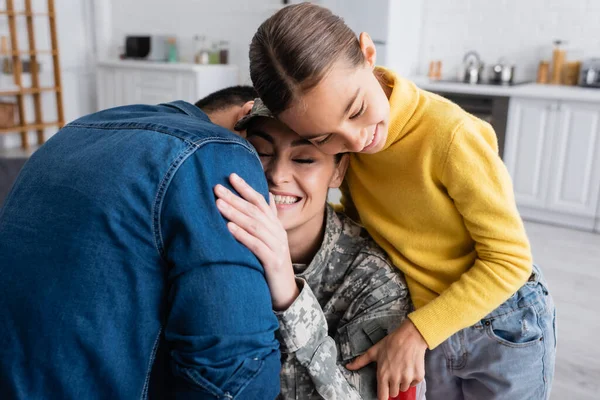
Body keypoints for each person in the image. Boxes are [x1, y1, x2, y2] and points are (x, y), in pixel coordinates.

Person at [246, 3, 557, 400]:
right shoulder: (350, 144)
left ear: (369, 53)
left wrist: (416, 332)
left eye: (356, 110)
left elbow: (509, 259)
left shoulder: (451, 135)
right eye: (324, 137)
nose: (356, 140)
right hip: (429, 323)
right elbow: (366, 219)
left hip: (504, 320)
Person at [0, 86, 281, 399]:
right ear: (248, 115)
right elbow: (235, 377)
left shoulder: (77, 131)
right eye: (266, 154)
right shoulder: (218, 151)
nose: (277, 177)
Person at [213, 99, 425, 400]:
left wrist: (289, 294)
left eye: (304, 159)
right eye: (260, 153)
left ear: (339, 171)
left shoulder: (374, 277)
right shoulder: (214, 240)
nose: (277, 175)